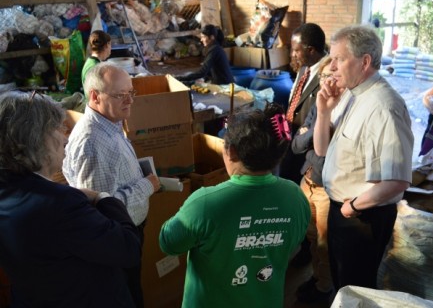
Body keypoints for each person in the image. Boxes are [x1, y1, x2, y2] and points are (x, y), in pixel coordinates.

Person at [159, 103, 311, 308]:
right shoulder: (295, 195)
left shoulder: (204, 203)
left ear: (231, 152)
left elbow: (169, 243)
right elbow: (293, 241)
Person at [0, 90, 141, 308]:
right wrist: (102, 198)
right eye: (56, 129)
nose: (65, 138)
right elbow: (129, 248)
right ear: (36, 139)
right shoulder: (60, 204)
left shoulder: (8, 189)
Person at [314, 25, 413, 290]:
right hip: (343, 209)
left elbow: (397, 180)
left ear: (365, 61)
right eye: (332, 58)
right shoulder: (351, 94)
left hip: (362, 216)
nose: (332, 67)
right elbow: (322, 150)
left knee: (356, 287)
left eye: (339, 59)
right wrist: (323, 113)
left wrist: (352, 207)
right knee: (342, 283)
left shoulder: (384, 106)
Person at [63, 63, 161, 308]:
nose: (130, 100)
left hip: (127, 233)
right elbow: (101, 211)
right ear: (95, 96)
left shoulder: (109, 124)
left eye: (131, 93)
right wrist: (146, 186)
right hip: (117, 242)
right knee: (127, 297)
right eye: (120, 95)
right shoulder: (92, 143)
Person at [279, 22, 327, 274]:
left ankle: (307, 252)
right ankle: (298, 243)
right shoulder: (305, 69)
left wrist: (301, 136)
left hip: (307, 148)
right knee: (291, 193)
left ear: (310, 49)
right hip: (292, 140)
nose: (293, 54)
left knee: (303, 203)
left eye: (296, 50)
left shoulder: (326, 74)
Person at [291, 56, 333, 304]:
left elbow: (325, 151)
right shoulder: (320, 106)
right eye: (323, 77)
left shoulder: (342, 107)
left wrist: (311, 133)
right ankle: (317, 278)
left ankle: (325, 286)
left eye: (331, 77)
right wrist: (318, 128)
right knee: (309, 237)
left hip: (326, 186)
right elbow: (297, 144)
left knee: (323, 243)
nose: (327, 82)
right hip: (307, 179)